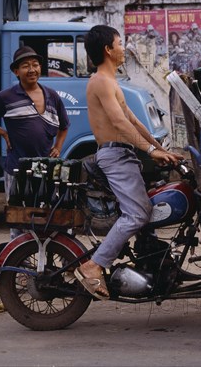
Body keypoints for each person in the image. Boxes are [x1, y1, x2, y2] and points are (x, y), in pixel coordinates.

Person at [74, 25, 183, 300]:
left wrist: (161, 150)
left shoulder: (112, 83)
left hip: (125, 154)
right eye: (120, 44)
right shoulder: (100, 81)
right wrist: (149, 149)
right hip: (114, 155)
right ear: (108, 50)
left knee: (148, 210)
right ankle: (93, 265)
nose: (124, 48)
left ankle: (152, 263)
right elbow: (119, 122)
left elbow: (134, 121)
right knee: (136, 214)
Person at [0, 46, 69, 238]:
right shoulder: (5, 97)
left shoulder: (52, 96)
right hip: (17, 168)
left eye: (35, 64)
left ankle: (43, 260)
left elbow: (64, 126)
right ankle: (19, 261)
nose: (31, 69)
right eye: (25, 66)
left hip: (45, 169)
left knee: (46, 216)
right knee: (18, 219)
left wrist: (58, 147)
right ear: (16, 71)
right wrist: (3, 133)